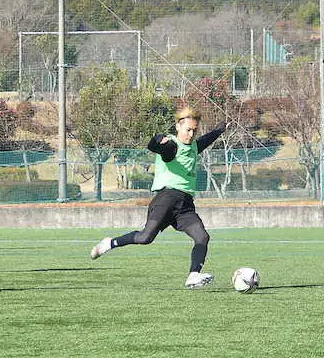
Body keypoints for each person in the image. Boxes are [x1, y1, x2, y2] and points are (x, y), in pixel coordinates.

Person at [89, 106, 225, 288]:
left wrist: (220, 129)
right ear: (178, 126)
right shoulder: (171, 146)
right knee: (145, 238)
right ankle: (109, 243)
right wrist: (158, 139)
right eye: (188, 130)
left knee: (202, 237)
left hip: (185, 204)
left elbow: (206, 140)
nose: (191, 134)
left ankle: (193, 275)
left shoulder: (193, 146)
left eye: (194, 130)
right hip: (166, 199)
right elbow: (153, 146)